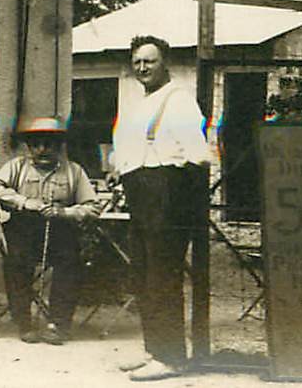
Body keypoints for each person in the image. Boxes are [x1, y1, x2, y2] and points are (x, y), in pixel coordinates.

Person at [111, 34, 212, 381]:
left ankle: (171, 357)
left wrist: (175, 192)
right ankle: (154, 349)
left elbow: (198, 154)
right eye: (137, 61)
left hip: (167, 194)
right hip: (141, 192)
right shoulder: (141, 102)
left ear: (164, 62)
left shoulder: (179, 100)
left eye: (149, 61)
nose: (142, 68)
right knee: (141, 275)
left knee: (162, 277)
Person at [0, 116, 107, 346]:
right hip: (23, 230)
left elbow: (93, 206)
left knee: (71, 263)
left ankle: (58, 324)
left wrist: (65, 213)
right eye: (36, 144)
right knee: (16, 263)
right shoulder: (16, 166)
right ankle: (24, 323)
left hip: (61, 231)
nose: (42, 150)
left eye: (49, 144)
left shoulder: (74, 171)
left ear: (60, 146)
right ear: (29, 146)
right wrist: (23, 201)